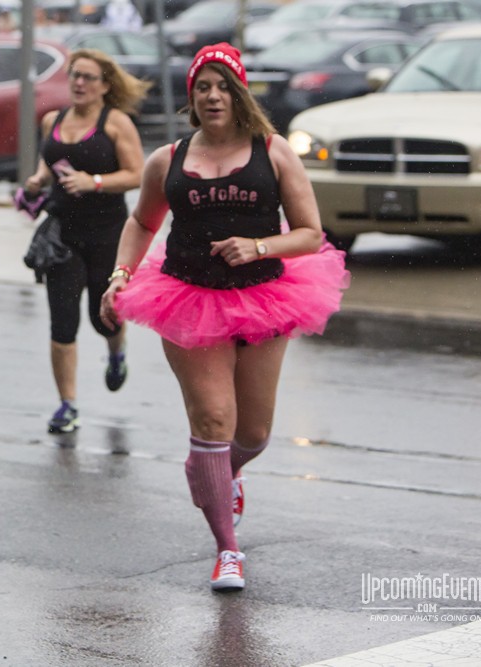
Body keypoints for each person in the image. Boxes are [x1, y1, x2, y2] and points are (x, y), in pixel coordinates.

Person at [100, 43, 349, 592]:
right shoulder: (167, 159)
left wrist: (259, 245)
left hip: (266, 295)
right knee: (213, 420)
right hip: (187, 295)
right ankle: (227, 549)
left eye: (222, 86)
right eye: (202, 86)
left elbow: (310, 234)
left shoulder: (274, 151)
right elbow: (142, 223)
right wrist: (120, 275)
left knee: (253, 433)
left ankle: (219, 472)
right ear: (191, 95)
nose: (212, 96)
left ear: (238, 94)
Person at [22, 48, 149, 434]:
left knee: (103, 317)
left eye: (88, 77)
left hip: (107, 233)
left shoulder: (116, 124)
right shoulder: (52, 120)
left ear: (104, 86)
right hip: (62, 234)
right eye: (74, 75)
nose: (78, 83)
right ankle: (67, 405)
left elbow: (136, 175)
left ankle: (116, 352)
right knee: (62, 322)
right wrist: (38, 179)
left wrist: (93, 182)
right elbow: (51, 161)